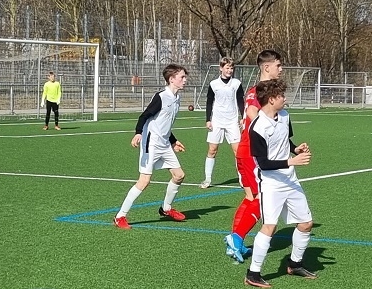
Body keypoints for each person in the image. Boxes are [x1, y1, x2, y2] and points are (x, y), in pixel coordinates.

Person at [243, 78, 316, 289]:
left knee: (306, 223)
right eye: (282, 95)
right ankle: (253, 274)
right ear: (271, 99)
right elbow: (263, 164)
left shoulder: (284, 116)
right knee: (270, 227)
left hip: (290, 179)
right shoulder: (257, 128)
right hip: (271, 183)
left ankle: (294, 264)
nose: (285, 99)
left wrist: (295, 149)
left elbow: (285, 140)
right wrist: (291, 161)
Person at [113, 64, 189, 229]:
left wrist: (173, 141)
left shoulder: (177, 98)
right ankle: (120, 216)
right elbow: (144, 116)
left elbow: (164, 124)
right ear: (171, 79)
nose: (185, 80)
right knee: (144, 181)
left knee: (179, 175)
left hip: (164, 143)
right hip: (151, 143)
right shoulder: (161, 97)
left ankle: (166, 209)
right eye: (182, 77)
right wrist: (138, 133)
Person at [224, 50, 283, 262]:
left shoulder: (264, 90)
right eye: (278, 65)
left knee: (251, 198)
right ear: (267, 67)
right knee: (260, 198)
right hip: (252, 153)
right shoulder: (258, 90)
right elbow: (251, 112)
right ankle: (236, 238)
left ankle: (235, 242)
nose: (281, 69)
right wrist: (272, 128)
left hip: (250, 152)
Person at [199, 57, 244, 189]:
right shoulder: (214, 84)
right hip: (217, 121)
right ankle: (207, 179)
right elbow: (209, 102)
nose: (229, 70)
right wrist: (208, 119)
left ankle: (243, 179)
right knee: (212, 150)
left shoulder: (236, 83)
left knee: (237, 152)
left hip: (232, 122)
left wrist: (243, 117)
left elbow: (240, 101)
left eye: (231, 68)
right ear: (221, 68)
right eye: (227, 67)